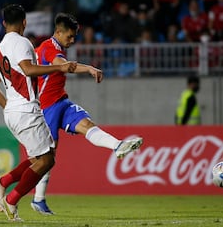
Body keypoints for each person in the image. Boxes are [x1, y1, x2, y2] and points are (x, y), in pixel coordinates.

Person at [29, 12, 143, 215]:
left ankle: (117, 146)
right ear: (58, 32)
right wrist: (90, 68)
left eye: (74, 37)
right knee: (47, 157)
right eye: (69, 36)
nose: (72, 40)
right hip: (47, 108)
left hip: (61, 102)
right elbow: (63, 66)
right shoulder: (48, 48)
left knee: (87, 124)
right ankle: (36, 199)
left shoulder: (57, 47)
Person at [0, 4, 77, 222]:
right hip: (26, 109)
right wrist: (59, 67)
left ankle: (3, 182)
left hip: (12, 112)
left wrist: (8, 106)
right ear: (24, 22)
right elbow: (28, 69)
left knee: (38, 158)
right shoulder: (23, 43)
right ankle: (11, 200)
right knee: (47, 161)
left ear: (3, 23)